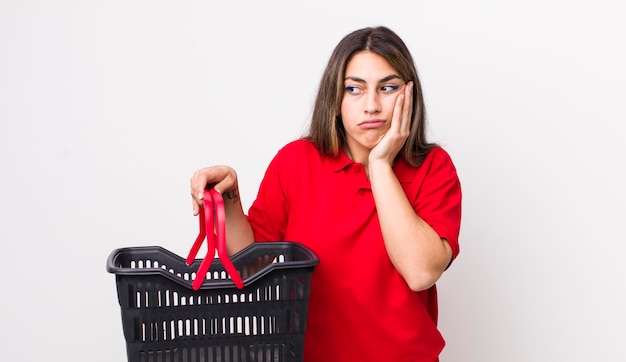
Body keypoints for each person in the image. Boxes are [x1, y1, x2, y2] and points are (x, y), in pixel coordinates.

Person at [190, 26, 462, 362]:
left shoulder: (433, 167)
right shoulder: (296, 162)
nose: (372, 105)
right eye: (354, 89)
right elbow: (250, 268)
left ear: (409, 95)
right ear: (335, 100)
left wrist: (380, 165)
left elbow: (421, 273)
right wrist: (228, 199)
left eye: (387, 88)